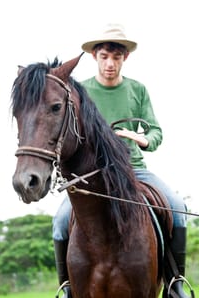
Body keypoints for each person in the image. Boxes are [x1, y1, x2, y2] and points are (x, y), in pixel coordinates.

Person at [52, 23, 189, 298]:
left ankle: (175, 282)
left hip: (134, 170)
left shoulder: (137, 90)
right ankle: (67, 287)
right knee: (60, 220)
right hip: (93, 176)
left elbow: (155, 132)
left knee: (177, 207)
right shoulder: (80, 92)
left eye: (116, 57)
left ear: (125, 57)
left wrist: (140, 138)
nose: (110, 63)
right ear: (95, 57)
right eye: (104, 57)